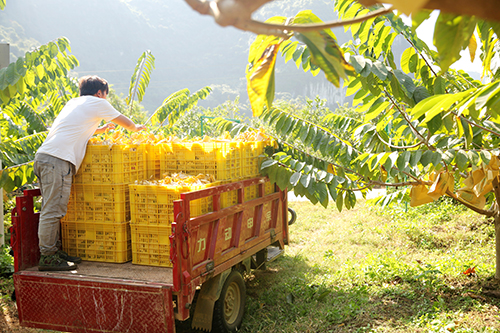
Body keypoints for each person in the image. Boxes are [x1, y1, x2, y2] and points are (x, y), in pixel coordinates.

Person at [33, 75, 146, 271]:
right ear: (100, 93)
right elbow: (127, 124)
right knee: (53, 210)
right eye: (105, 95)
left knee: (51, 207)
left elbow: (74, 128)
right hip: (57, 160)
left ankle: (53, 251)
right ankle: (48, 256)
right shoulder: (97, 102)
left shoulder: (74, 103)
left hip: (46, 157)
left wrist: (100, 130)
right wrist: (136, 127)